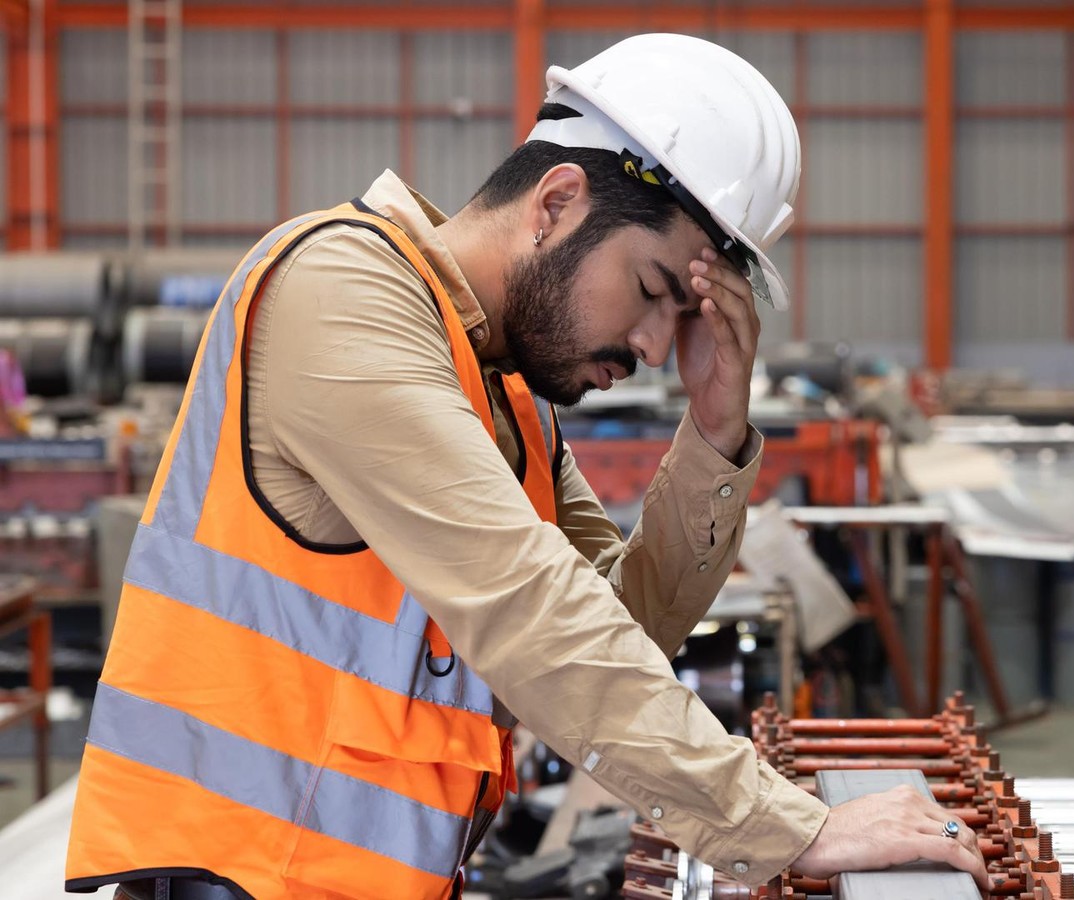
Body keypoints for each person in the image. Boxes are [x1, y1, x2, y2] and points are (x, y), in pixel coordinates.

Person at [64, 33, 990, 900]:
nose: (657, 346)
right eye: (655, 291)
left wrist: (711, 436)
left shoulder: (504, 393)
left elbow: (617, 632)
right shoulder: (342, 291)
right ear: (555, 205)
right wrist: (785, 829)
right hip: (243, 875)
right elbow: (530, 609)